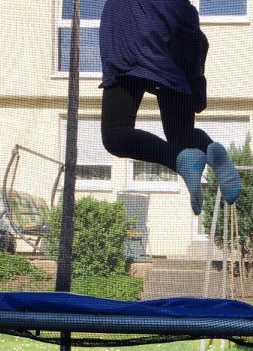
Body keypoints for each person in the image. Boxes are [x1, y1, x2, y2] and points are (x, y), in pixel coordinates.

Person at [99, 0, 241, 215]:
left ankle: (178, 158)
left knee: (116, 134)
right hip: (180, 27)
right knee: (181, 134)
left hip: (133, 26)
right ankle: (210, 149)